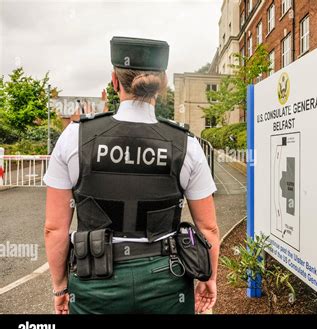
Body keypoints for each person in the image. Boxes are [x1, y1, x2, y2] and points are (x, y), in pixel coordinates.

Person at [43, 36, 220, 314]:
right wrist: (208, 278)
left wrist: (60, 287)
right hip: (167, 280)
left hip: (95, 281)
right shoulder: (186, 144)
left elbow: (54, 229)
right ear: (160, 86)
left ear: (114, 82)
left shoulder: (74, 138)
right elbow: (208, 228)